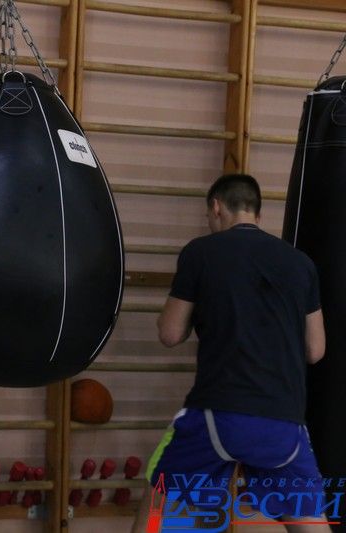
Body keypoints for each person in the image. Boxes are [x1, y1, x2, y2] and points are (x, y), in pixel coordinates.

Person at [130, 174, 328, 533]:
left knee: (157, 509)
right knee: (311, 523)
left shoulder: (201, 252)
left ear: (216, 207)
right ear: (258, 214)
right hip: (283, 421)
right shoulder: (301, 264)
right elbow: (315, 350)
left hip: (216, 416)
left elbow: (171, 334)